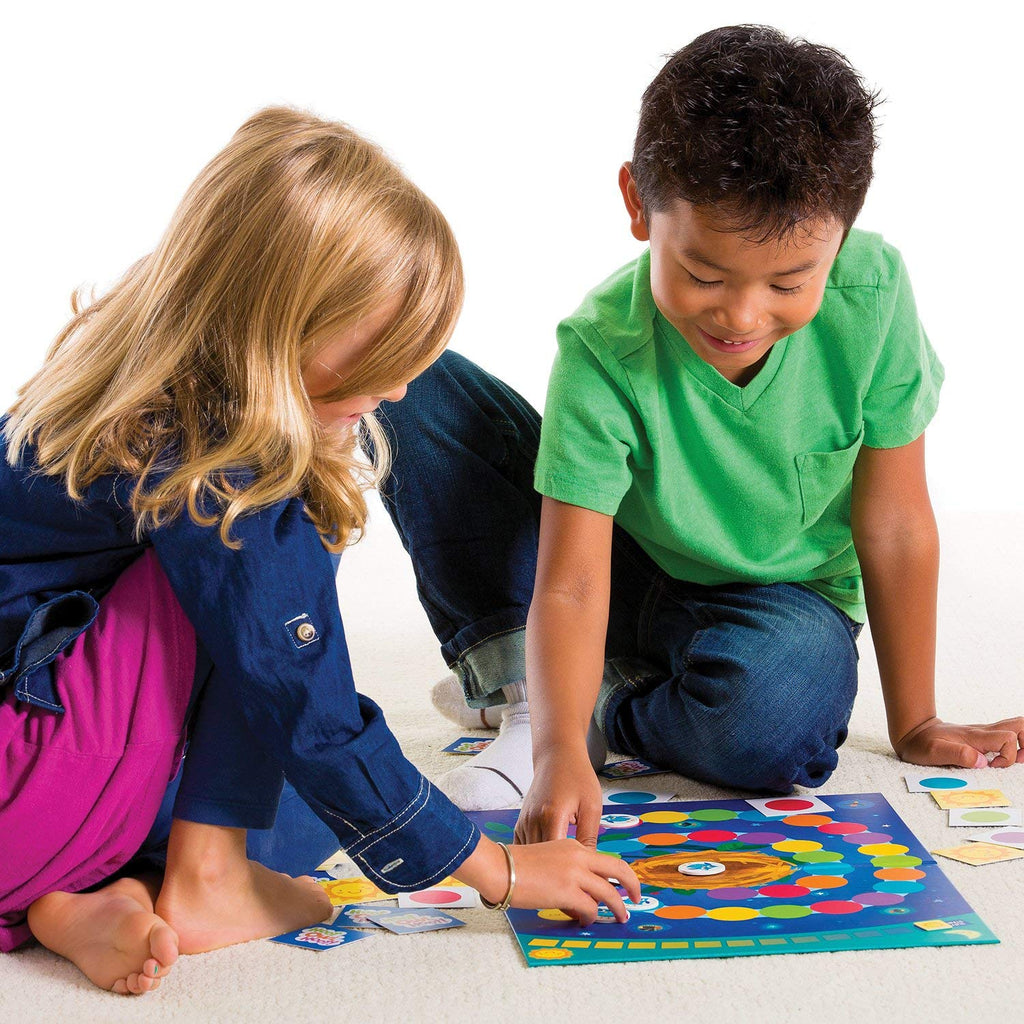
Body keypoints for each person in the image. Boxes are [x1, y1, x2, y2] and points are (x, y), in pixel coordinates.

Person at [0, 106, 638, 996]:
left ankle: (85, 896)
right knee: (298, 534)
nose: (405, 386)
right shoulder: (214, 457)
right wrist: (497, 870)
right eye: (383, 352)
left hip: (38, 799)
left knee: (326, 811)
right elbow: (302, 695)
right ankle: (204, 875)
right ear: (277, 317)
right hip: (32, 777)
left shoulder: (131, 370)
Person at [368, 26, 1024, 834]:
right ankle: (533, 701)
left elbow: (892, 521)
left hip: (778, 604)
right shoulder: (605, 343)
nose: (743, 316)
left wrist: (916, 720)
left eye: (789, 282)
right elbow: (573, 578)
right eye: (704, 275)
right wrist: (555, 759)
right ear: (638, 206)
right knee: (397, 378)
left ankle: (600, 706)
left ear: (840, 240)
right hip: (617, 563)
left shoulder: (876, 294)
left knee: (779, 712)